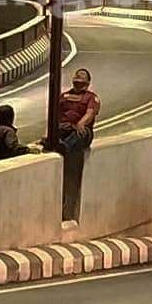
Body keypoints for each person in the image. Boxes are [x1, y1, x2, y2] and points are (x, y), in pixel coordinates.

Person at [58, 68, 100, 221]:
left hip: (81, 132)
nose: (78, 77)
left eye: (82, 76)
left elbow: (90, 113)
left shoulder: (92, 98)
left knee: (79, 135)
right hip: (65, 128)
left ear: (88, 82)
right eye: (76, 75)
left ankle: (65, 146)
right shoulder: (64, 96)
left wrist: (81, 123)